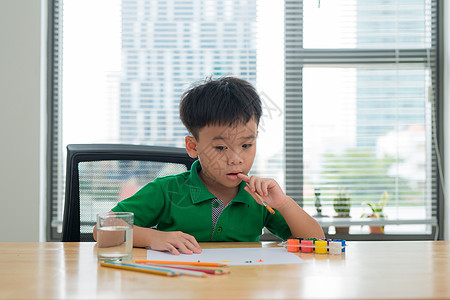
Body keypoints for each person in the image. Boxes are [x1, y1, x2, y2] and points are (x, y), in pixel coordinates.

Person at [93, 77, 324, 255]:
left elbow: (316, 241)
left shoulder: (259, 197)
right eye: (221, 148)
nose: (236, 159)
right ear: (193, 147)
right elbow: (102, 231)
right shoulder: (167, 190)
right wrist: (154, 238)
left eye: (246, 144)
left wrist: (283, 204)